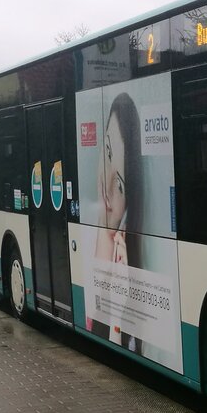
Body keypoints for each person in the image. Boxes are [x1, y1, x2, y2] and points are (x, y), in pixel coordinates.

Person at [88, 91, 143, 352]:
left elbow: (118, 345)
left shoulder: (124, 265)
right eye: (108, 152)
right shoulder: (80, 237)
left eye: (120, 184)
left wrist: (118, 306)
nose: (108, 184)